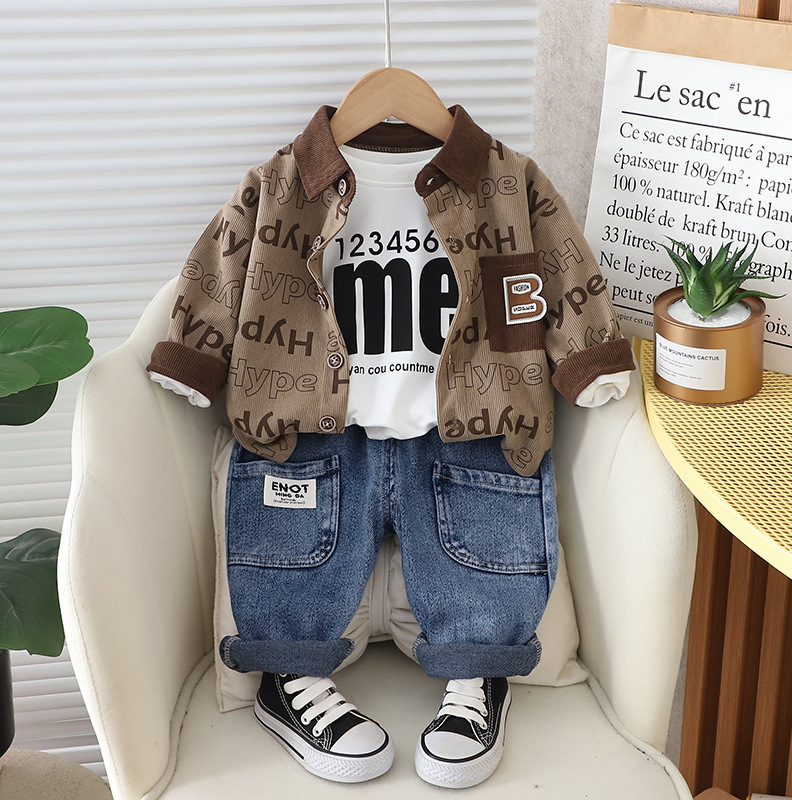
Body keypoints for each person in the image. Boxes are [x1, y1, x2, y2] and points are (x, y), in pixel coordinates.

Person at [148, 105, 635, 788]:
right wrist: (194, 356)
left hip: (467, 422)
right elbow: (223, 262)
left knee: (483, 548)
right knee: (293, 551)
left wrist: (589, 356)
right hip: (314, 427)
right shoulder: (284, 182)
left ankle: (478, 674)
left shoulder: (504, 179)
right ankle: (289, 681)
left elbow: (561, 261)